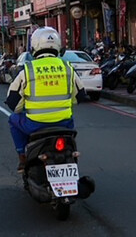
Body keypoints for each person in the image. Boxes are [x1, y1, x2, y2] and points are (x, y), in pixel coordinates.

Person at [5, 26, 84, 172]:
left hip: (35, 125)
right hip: (65, 124)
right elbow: (79, 96)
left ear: (34, 45)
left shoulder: (28, 70)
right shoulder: (67, 68)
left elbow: (13, 103)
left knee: (13, 118)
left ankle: (22, 157)